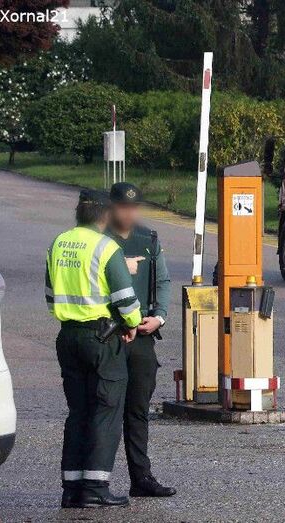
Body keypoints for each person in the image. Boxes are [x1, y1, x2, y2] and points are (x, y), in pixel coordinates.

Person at [45, 190, 142, 508]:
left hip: (68, 336)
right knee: (106, 410)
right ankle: (96, 487)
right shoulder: (106, 247)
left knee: (78, 412)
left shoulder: (58, 243)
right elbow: (125, 300)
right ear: (105, 215)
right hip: (101, 340)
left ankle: (72, 488)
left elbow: (51, 297)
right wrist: (132, 323)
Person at [108, 182, 176, 498]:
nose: (129, 213)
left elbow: (162, 280)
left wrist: (159, 316)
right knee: (104, 410)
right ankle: (96, 481)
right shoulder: (100, 239)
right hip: (109, 335)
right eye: (123, 207)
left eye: (134, 207)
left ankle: (141, 478)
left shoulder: (148, 239)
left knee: (137, 410)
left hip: (142, 335)